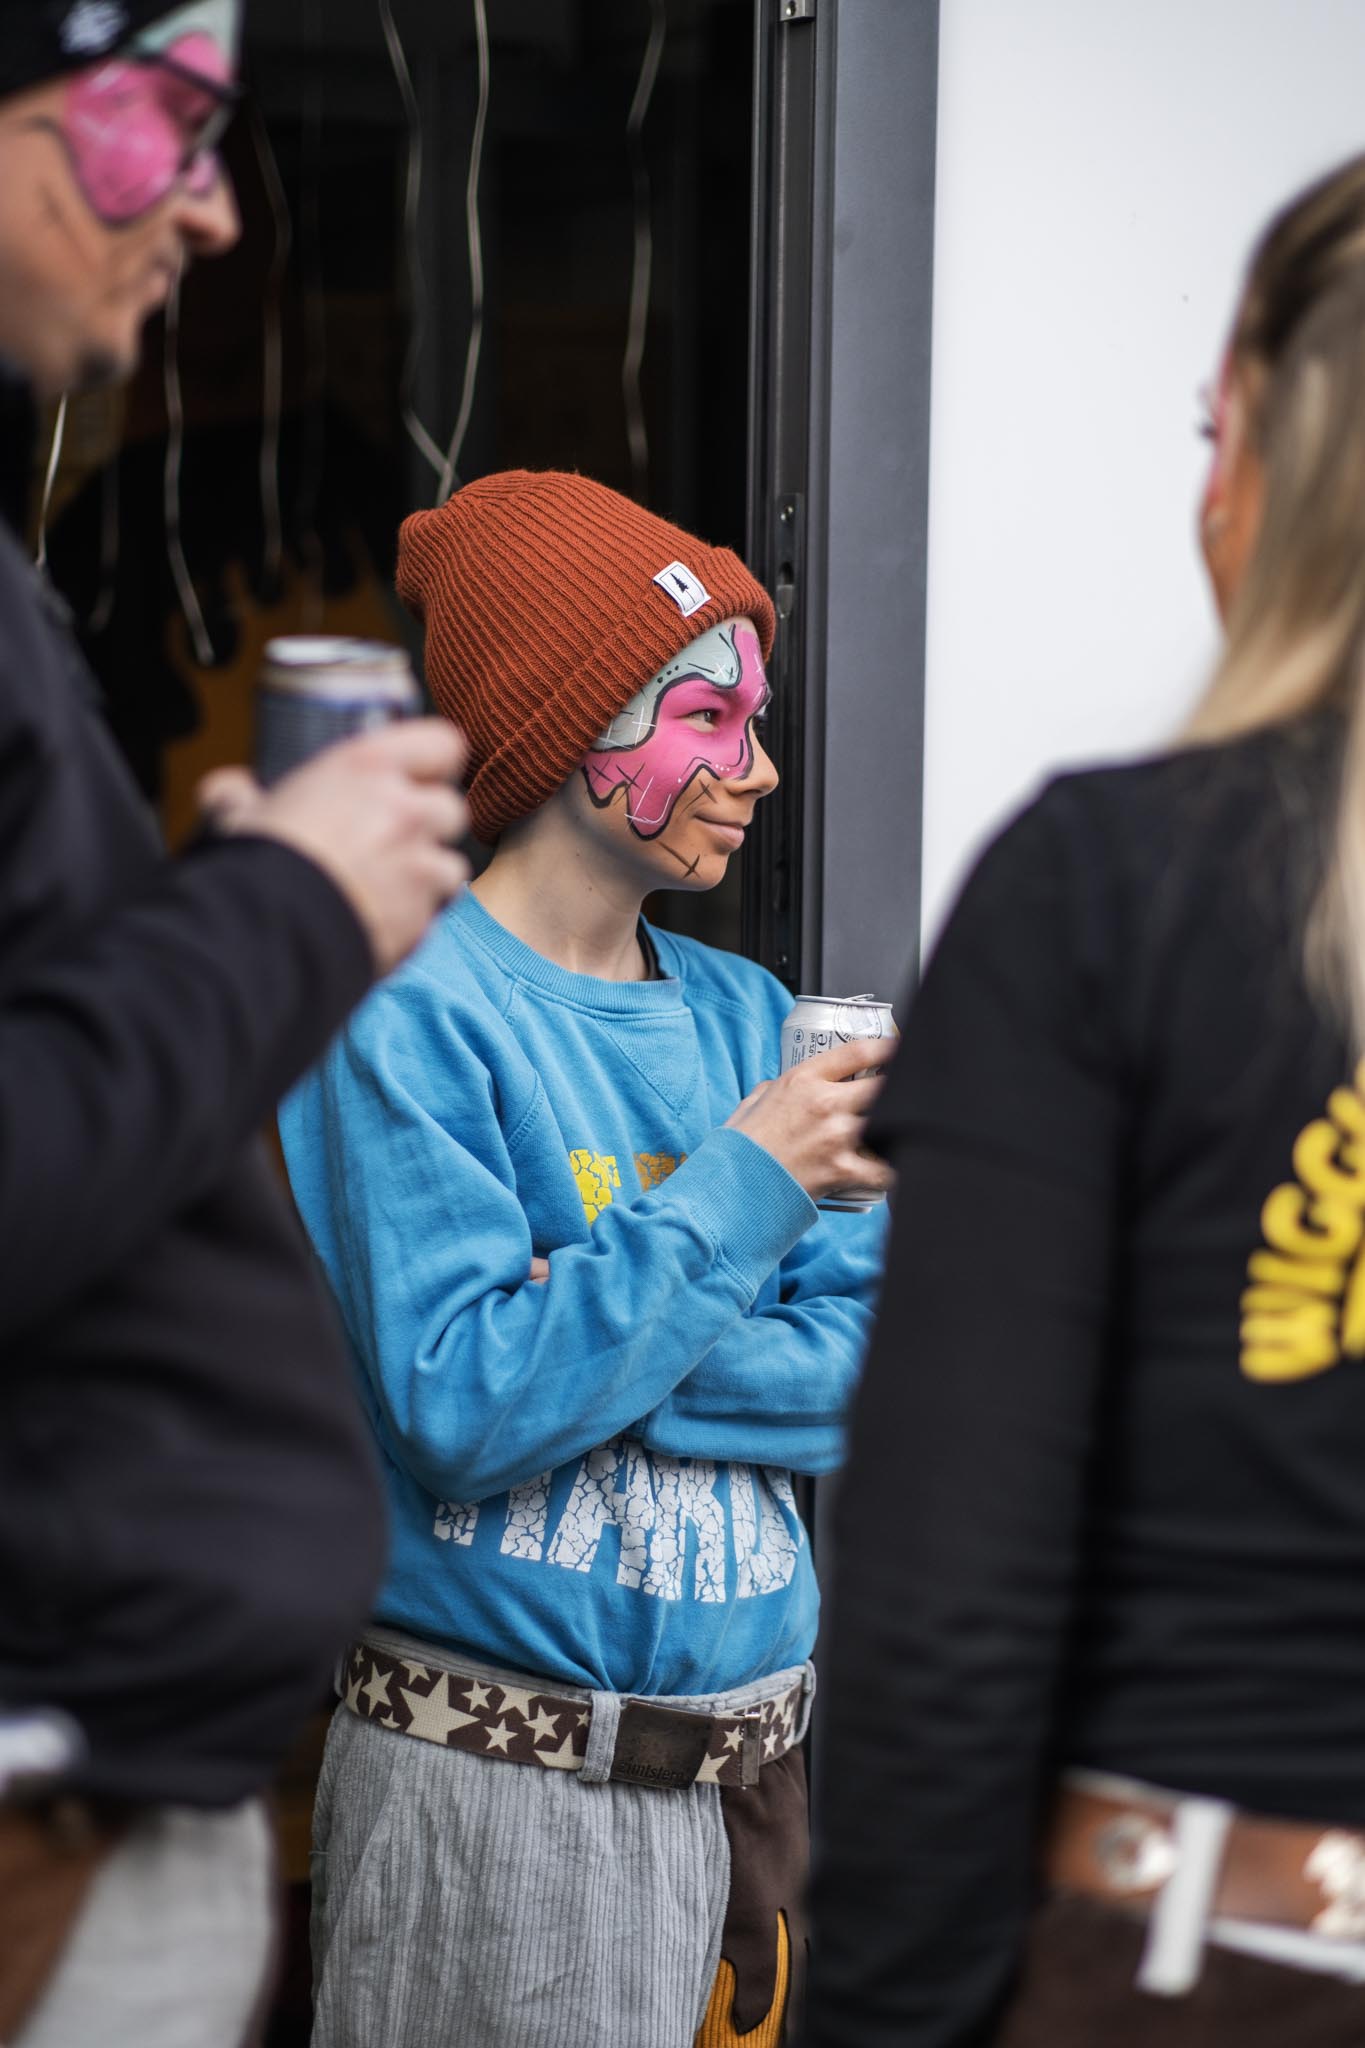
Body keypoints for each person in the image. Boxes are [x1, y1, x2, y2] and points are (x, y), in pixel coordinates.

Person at [804, 152, 1365, 2048]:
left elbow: (946, 1601)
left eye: (1212, 428)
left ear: (1271, 457)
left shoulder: (1110, 890)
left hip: (1208, 1970)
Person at [279, 470, 891, 2048]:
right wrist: (747, 1190)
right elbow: (467, 1403)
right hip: (500, 1796)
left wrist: (594, 1333)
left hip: (755, 1800)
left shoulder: (754, 1018)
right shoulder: (399, 1007)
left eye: (755, 721)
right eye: (709, 718)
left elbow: (875, 1369)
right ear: (565, 731)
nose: (756, 768)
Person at [0, 5, 469, 2042]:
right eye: (166, 125)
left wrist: (232, 913)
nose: (210, 210)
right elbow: (467, 1389)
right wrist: (277, 917)